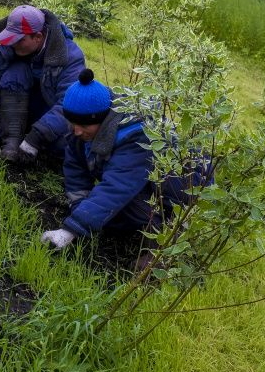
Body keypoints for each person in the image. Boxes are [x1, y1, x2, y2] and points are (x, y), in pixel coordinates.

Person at [41, 69, 207, 260]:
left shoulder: (137, 135)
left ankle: (168, 232)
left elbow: (117, 187)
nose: (77, 131)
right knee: (108, 219)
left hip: (181, 190)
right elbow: (75, 172)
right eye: (72, 124)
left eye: (84, 126)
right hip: (144, 180)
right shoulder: (81, 127)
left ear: (102, 120)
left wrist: (69, 231)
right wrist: (79, 212)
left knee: (125, 208)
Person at [0, 5, 85, 163]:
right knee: (14, 72)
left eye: (19, 40)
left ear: (38, 36)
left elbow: (69, 103)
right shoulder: (12, 48)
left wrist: (35, 138)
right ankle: (12, 140)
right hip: (16, 112)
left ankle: (33, 143)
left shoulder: (71, 57)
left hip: (48, 118)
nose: (13, 44)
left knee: (61, 150)